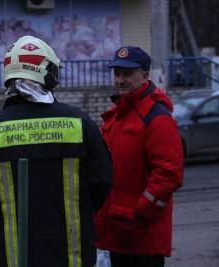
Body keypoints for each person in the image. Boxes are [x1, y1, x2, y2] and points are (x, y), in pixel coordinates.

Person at [0, 35, 113, 267]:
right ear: (47, 73)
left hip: (14, 258)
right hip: (72, 256)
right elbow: (102, 182)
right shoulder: (81, 124)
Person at [95, 46, 184, 267]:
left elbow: (169, 175)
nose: (120, 80)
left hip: (141, 240)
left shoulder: (157, 118)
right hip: (116, 234)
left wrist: (139, 215)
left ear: (145, 76)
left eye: (127, 74)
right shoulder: (118, 116)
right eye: (117, 73)